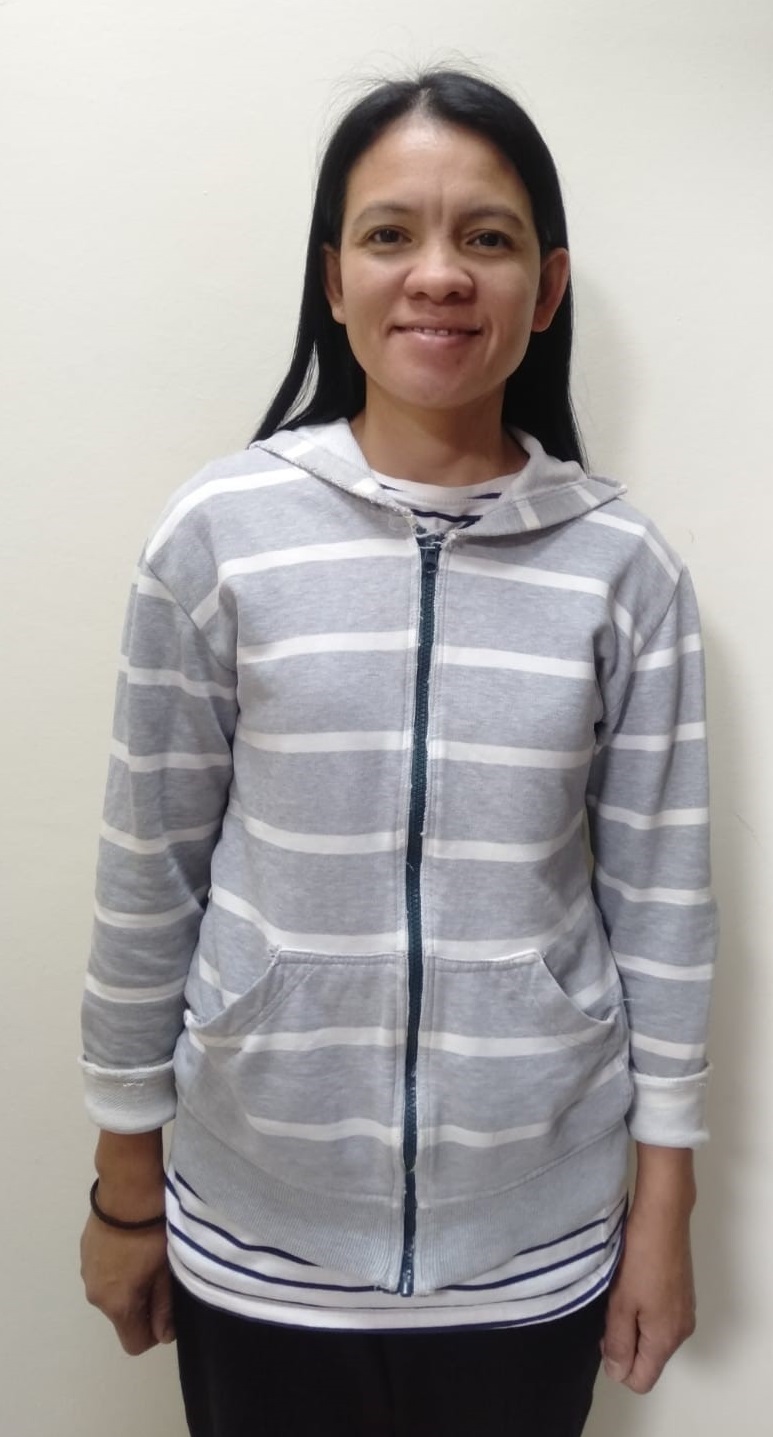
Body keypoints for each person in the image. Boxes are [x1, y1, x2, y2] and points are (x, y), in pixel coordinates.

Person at [80, 68, 716, 1437]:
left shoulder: (623, 568)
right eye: (389, 234)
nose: (438, 273)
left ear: (545, 289)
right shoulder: (218, 537)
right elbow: (147, 878)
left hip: (534, 1252)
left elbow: (662, 909)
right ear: (333, 278)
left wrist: (664, 1213)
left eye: (485, 237)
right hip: (256, 1238)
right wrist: (124, 1190)